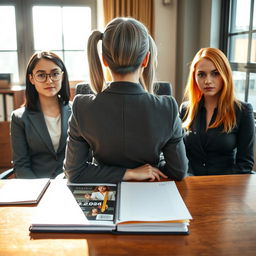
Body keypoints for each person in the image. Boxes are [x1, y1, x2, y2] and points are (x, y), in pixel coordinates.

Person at [64, 17, 188, 183]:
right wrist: (145, 170)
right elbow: (179, 171)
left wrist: (126, 173)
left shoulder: (81, 106)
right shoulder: (168, 107)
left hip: (103, 193)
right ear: (146, 59)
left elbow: (74, 172)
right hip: (152, 194)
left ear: (104, 60)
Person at [180, 47, 255, 175]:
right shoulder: (186, 109)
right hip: (189, 183)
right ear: (194, 77)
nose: (208, 81)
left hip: (225, 187)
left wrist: (215, 185)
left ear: (225, 74)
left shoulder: (242, 111)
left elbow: (244, 165)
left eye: (215, 73)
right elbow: (178, 154)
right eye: (201, 74)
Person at [11, 51, 71, 178]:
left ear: (63, 76)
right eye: (41, 75)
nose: (49, 81)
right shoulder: (19, 118)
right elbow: (21, 165)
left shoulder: (77, 111)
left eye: (55, 74)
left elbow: (87, 156)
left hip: (71, 183)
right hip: (37, 187)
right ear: (31, 79)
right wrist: (40, 190)